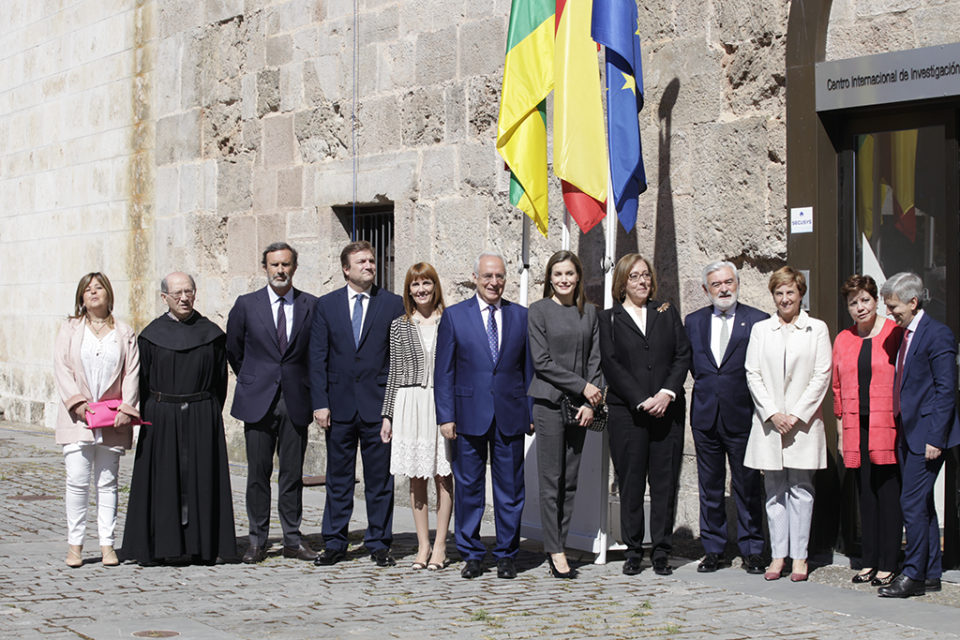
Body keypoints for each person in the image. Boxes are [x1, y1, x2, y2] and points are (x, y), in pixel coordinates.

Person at [119, 272, 237, 565]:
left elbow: (219, 382)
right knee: (162, 480)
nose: (184, 298)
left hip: (201, 414)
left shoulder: (211, 334)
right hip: (161, 417)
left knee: (203, 479)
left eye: (189, 292)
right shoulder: (150, 336)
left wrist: (204, 409)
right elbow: (142, 381)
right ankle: (161, 545)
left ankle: (204, 546)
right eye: (177, 294)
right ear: (164, 298)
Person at [435, 251, 533, 580]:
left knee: (510, 488)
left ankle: (506, 554)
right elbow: (444, 371)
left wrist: (530, 412)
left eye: (500, 276)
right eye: (488, 276)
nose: (494, 282)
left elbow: (529, 370)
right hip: (467, 415)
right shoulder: (455, 317)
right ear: (475, 277)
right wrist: (445, 416)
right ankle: (472, 553)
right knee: (468, 487)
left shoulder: (521, 316)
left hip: (510, 414)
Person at [310, 241, 405, 567]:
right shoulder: (327, 305)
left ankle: (379, 542)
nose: (369, 265)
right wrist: (320, 403)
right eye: (361, 261)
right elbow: (317, 357)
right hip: (338, 408)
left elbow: (398, 361)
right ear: (346, 269)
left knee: (380, 481)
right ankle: (335, 542)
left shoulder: (392, 304)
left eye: (371, 260)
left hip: (377, 409)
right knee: (338, 479)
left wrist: (391, 410)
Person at [599, 254, 691, 576]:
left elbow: (682, 355)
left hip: (668, 412)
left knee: (664, 483)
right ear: (622, 282)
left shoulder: (665, 313)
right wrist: (641, 399)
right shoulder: (608, 319)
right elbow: (611, 364)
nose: (642, 282)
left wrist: (666, 393)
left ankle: (662, 551)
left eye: (646, 276)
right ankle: (634, 550)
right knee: (631, 482)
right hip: (629, 414)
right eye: (635, 276)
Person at [226, 242, 318, 564]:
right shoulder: (246, 305)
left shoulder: (311, 305)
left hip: (296, 400)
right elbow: (234, 349)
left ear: (294, 267)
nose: (280, 270)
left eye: (286, 265)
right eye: (274, 265)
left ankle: (292, 539)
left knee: (292, 474)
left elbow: (315, 355)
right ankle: (257, 540)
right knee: (257, 473)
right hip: (258, 400)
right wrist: (253, 379)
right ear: (264, 268)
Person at [744, 266, 830, 582]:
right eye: (779, 293)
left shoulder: (816, 329)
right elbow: (752, 372)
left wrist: (795, 414)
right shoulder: (761, 330)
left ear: (800, 294)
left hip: (802, 424)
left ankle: (800, 557)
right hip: (770, 424)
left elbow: (822, 374)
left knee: (802, 489)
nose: (784, 299)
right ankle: (777, 555)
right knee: (773, 490)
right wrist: (772, 413)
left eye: (790, 292)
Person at [877, 272, 960, 598]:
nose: (890, 312)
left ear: (913, 302)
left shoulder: (936, 334)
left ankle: (911, 575)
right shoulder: (905, 334)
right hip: (908, 432)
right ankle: (930, 573)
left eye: (894, 306)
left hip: (927, 437)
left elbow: (945, 391)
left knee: (910, 503)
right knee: (922, 504)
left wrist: (936, 439)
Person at [684, 261, 768, 574]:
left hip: (742, 415)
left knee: (746, 486)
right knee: (710, 486)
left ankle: (752, 549)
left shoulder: (757, 320)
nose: (724, 289)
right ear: (706, 290)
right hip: (706, 417)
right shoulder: (693, 322)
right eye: (716, 284)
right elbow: (693, 365)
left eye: (728, 282)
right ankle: (714, 549)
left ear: (737, 284)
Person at [53, 272, 140, 568]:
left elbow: (132, 372)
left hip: (112, 419)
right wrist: (77, 404)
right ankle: (75, 546)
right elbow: (62, 368)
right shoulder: (70, 328)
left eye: (98, 287)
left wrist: (126, 409)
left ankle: (107, 546)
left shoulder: (124, 331)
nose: (93, 293)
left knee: (108, 482)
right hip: (78, 419)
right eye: (87, 289)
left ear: (108, 293)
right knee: (77, 481)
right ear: (81, 297)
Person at [527, 250, 601, 579]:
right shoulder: (538, 311)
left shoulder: (591, 313)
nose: (564, 280)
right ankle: (554, 549)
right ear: (549, 278)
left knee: (570, 480)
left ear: (578, 276)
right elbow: (541, 362)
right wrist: (583, 386)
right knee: (550, 480)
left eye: (569, 273)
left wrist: (590, 400)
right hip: (548, 403)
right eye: (557, 274)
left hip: (581, 408)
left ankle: (564, 540)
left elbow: (596, 361)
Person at [831, 274, 903, 587]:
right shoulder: (843, 339)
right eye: (853, 302)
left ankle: (889, 562)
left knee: (888, 493)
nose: (860, 307)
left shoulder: (894, 333)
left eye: (865, 300)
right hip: (855, 426)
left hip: (887, 424)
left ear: (875, 301)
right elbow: (836, 388)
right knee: (866, 496)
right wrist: (841, 434)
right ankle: (869, 561)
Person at [380, 262, 453, 571]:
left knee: (443, 474)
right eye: (415, 285)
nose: (421, 290)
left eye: (426, 283)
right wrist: (388, 416)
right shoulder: (399, 325)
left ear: (435, 286)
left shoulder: (450, 320)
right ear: (408, 290)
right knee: (416, 475)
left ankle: (440, 545)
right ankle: (422, 545)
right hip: (409, 402)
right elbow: (394, 371)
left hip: (440, 400)